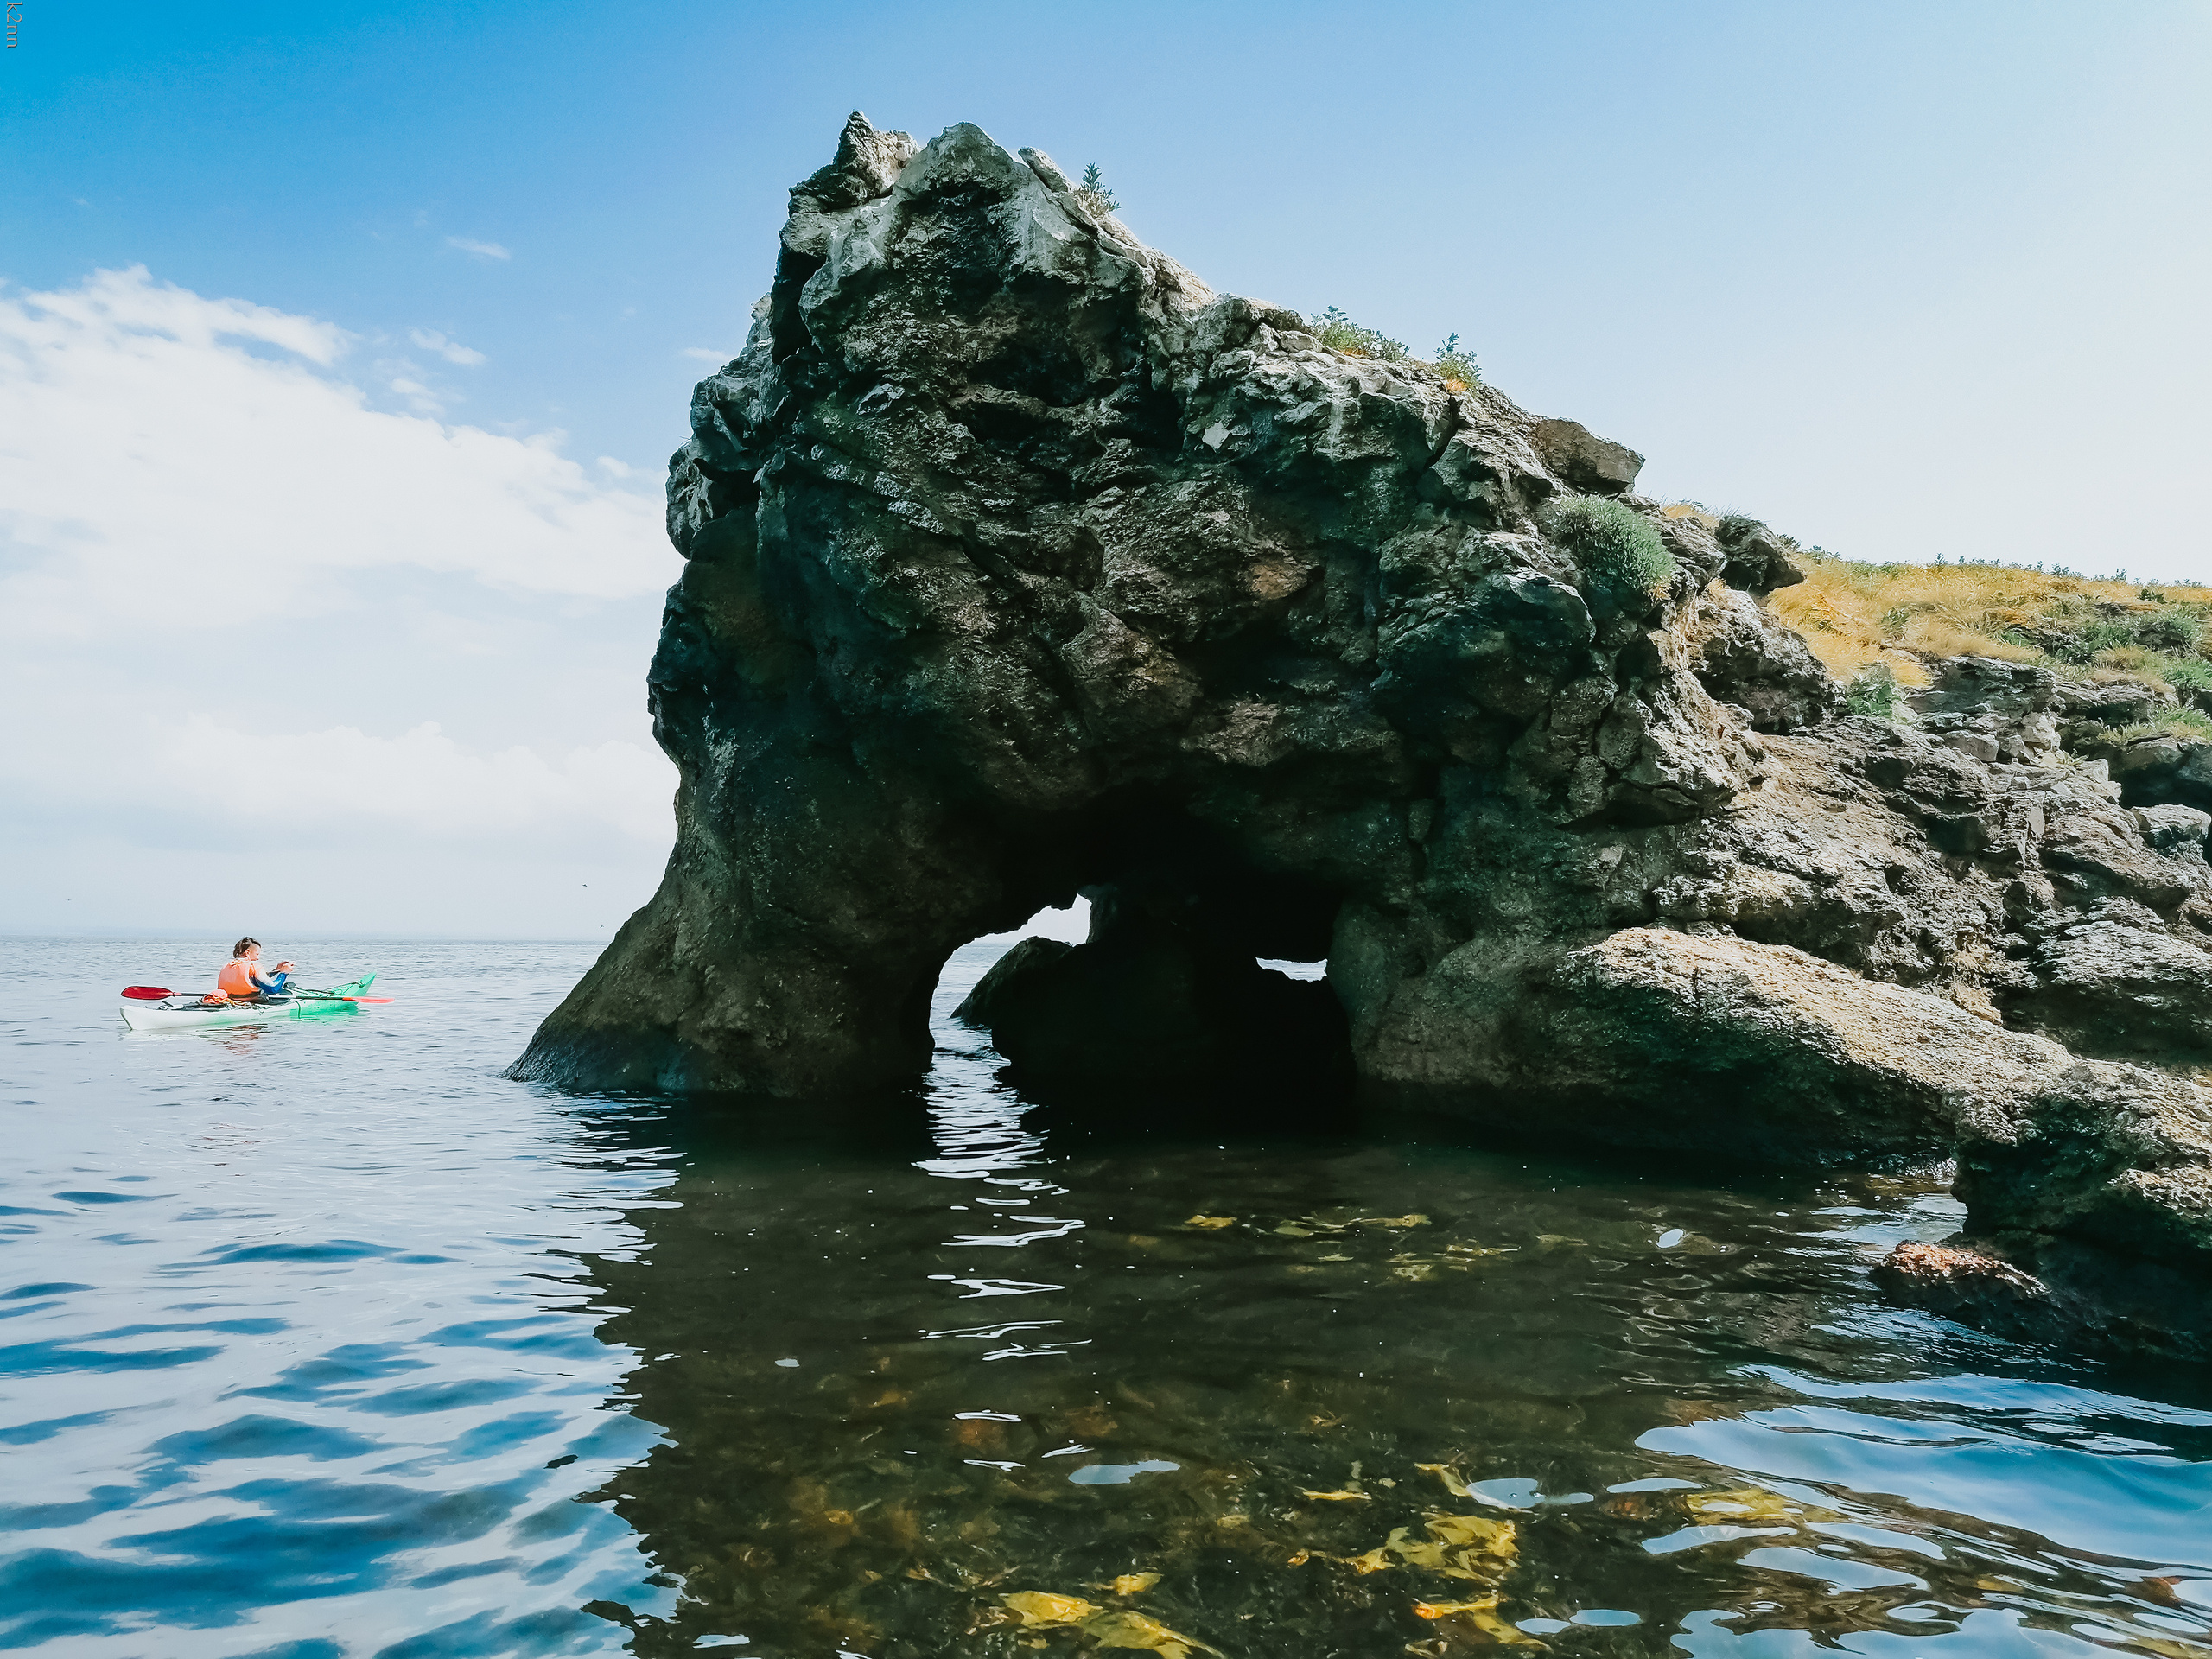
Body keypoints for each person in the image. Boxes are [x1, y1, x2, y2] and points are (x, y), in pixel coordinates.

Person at [217, 938, 294, 1001]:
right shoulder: (254, 966)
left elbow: (251, 979)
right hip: (251, 1000)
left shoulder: (227, 965)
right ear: (247, 952)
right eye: (257, 954)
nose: (258, 958)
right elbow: (272, 989)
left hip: (229, 999)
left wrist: (276, 970)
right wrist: (283, 973)